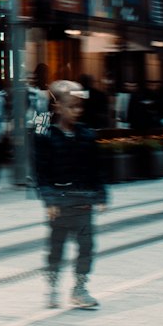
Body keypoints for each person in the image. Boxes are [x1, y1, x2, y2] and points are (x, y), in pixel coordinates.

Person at [35, 80, 106, 310]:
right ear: (57, 108)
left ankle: (79, 288)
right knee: (57, 247)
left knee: (86, 246)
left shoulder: (87, 135)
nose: (76, 111)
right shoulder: (45, 134)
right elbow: (41, 173)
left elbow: (96, 169)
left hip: (83, 202)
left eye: (79, 107)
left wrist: (101, 195)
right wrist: (50, 201)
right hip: (60, 203)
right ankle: (53, 286)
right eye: (71, 106)